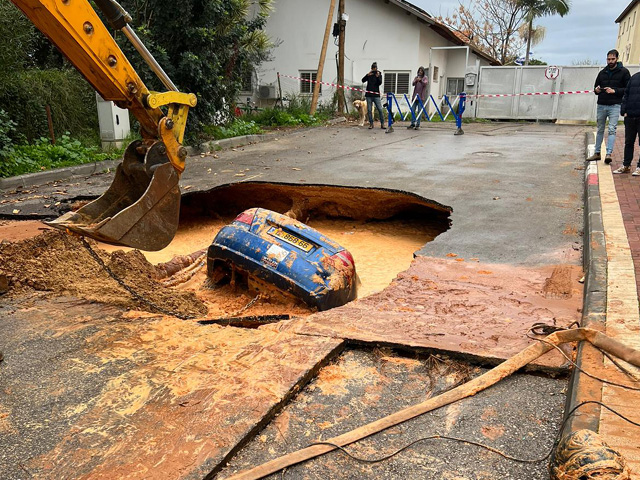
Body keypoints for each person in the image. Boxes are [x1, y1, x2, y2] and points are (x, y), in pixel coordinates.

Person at [587, 49, 630, 163]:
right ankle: (597, 153)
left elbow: (627, 89)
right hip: (601, 104)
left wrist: (614, 91)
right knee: (600, 129)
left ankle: (608, 154)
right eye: (608, 59)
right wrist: (596, 90)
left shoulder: (624, 72)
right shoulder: (602, 73)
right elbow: (596, 87)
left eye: (612, 59)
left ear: (617, 59)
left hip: (615, 105)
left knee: (612, 129)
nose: (610, 61)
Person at [614, 66, 640, 174]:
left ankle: (639, 167)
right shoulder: (634, 77)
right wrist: (623, 110)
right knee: (629, 142)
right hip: (630, 116)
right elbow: (626, 94)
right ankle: (626, 165)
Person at [362, 62, 385, 129]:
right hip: (369, 95)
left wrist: (377, 77)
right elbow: (363, 80)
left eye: (376, 69)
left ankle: (382, 124)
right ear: (371, 69)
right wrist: (367, 75)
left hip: (376, 95)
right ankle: (371, 124)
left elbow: (380, 83)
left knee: (380, 109)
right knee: (369, 110)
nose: (375, 70)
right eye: (373, 69)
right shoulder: (369, 74)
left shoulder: (379, 74)